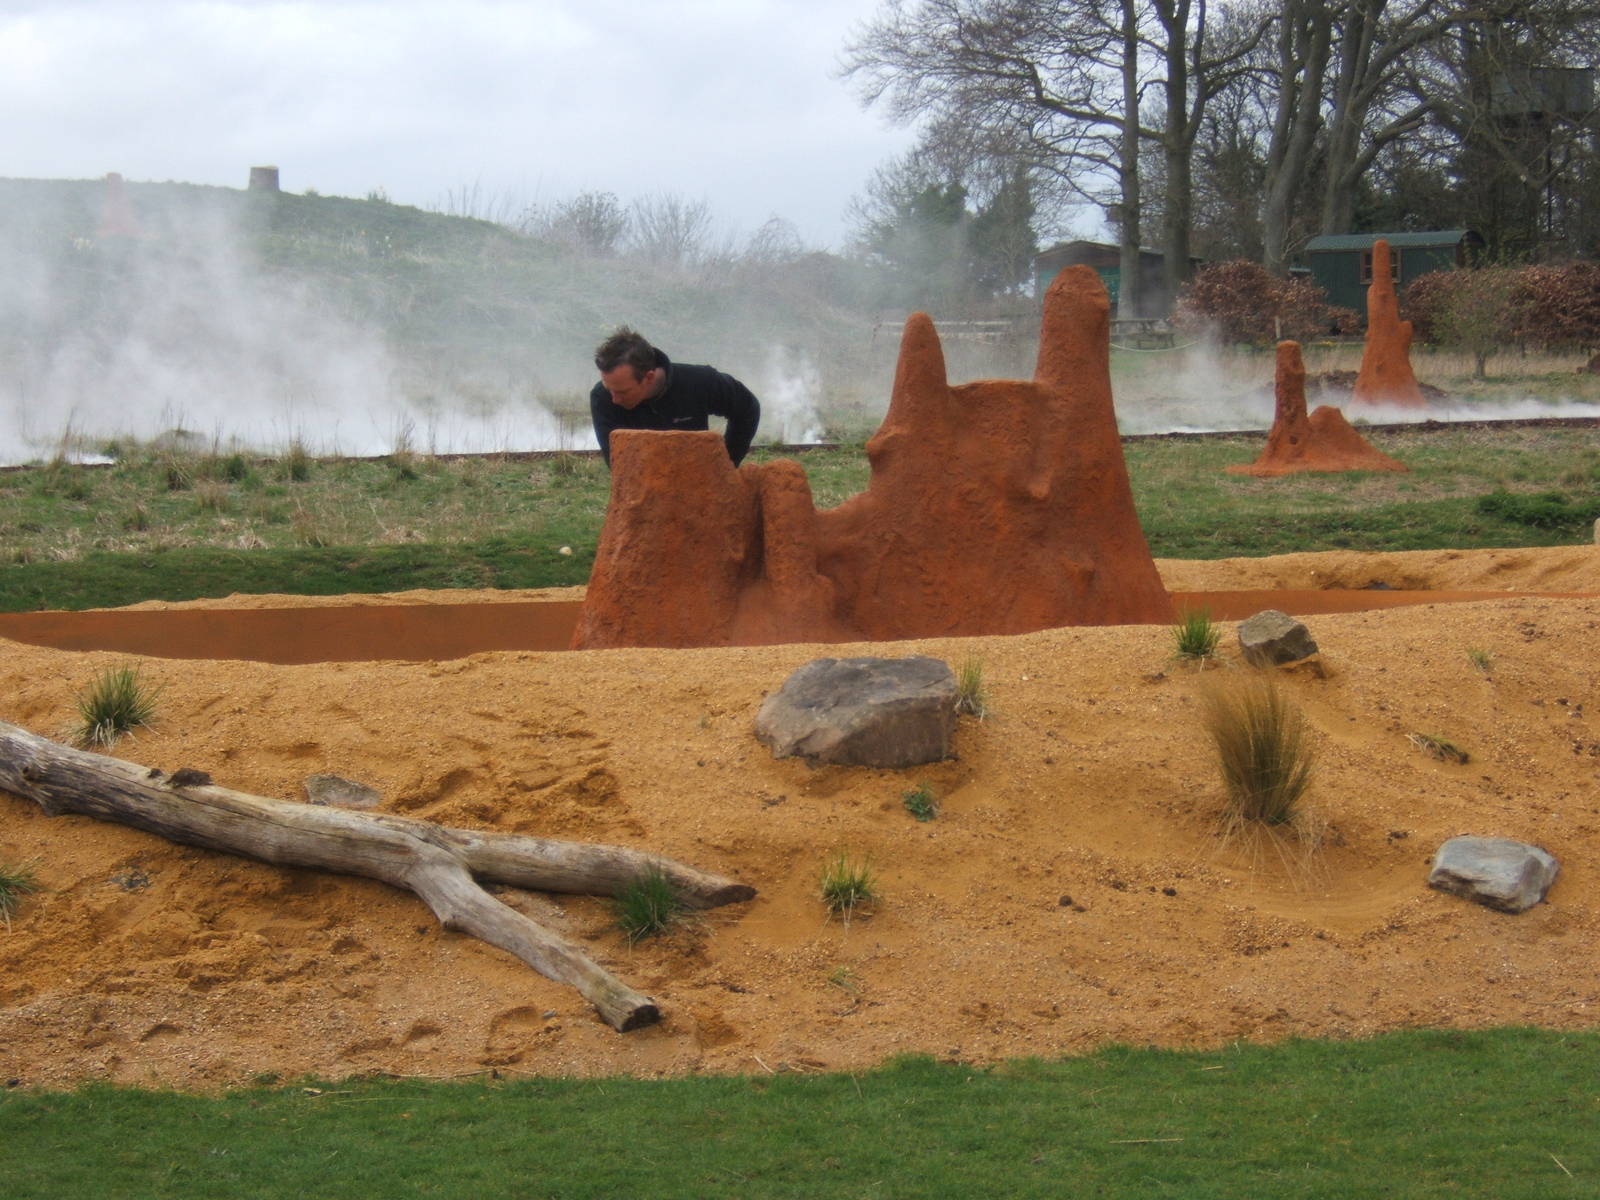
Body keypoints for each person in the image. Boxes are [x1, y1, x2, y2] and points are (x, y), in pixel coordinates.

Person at [589, 327, 761, 468]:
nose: (614, 399)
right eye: (608, 388)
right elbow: (617, 463)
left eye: (623, 392)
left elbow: (747, 408)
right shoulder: (601, 398)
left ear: (648, 377)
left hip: (699, 487)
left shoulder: (700, 382)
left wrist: (726, 463)